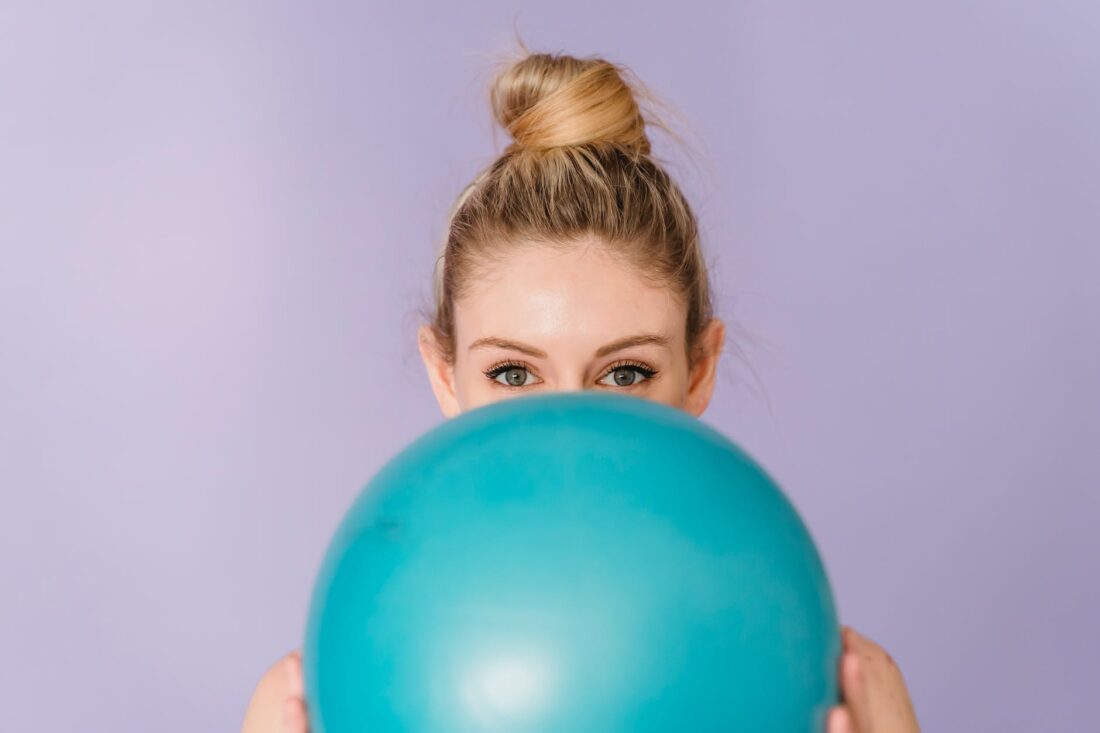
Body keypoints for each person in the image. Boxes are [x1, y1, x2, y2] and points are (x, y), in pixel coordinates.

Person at [241, 49, 920, 733]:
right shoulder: (313, 700)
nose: (567, 430)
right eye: (513, 373)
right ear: (445, 375)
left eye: (625, 373)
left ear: (700, 368)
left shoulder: (849, 690)